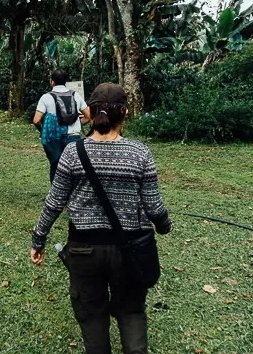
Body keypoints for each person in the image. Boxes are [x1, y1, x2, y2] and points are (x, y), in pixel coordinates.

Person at [30, 83, 172, 354]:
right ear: (126, 113)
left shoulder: (73, 152)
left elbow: (54, 201)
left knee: (92, 316)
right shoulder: (140, 153)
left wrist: (39, 238)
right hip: (129, 251)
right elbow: (154, 206)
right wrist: (165, 225)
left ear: (91, 113)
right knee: (131, 311)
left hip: (83, 251)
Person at [33, 70, 89, 182]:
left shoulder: (46, 97)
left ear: (52, 82)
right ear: (65, 82)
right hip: (74, 137)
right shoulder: (75, 95)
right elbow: (88, 116)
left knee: (56, 166)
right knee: (74, 168)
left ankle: (56, 196)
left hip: (54, 138)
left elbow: (36, 120)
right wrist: (77, 123)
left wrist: (42, 130)